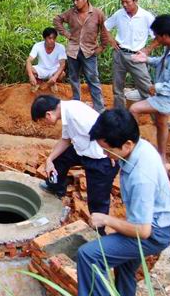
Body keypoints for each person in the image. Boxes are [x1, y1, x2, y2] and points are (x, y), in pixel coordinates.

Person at [77, 108, 170, 296]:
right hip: (156, 223)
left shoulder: (141, 176)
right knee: (125, 267)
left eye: (107, 150)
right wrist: (117, 156)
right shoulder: (139, 148)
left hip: (154, 232)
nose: (104, 154)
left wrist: (106, 219)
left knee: (89, 256)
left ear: (127, 145)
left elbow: (143, 231)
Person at [31, 95, 118, 235]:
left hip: (100, 159)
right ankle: (56, 187)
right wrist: (49, 160)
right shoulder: (67, 112)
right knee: (60, 159)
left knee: (97, 199)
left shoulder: (75, 115)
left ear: (48, 114)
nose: (44, 124)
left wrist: (113, 150)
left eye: (42, 121)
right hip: (83, 150)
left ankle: (98, 233)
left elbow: (106, 127)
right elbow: (66, 140)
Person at [129, 14, 170, 166]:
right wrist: (147, 59)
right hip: (165, 93)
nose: (156, 39)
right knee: (161, 122)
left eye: (157, 36)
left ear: (164, 35)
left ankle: (133, 149)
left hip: (168, 97)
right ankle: (162, 157)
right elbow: (164, 63)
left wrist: (156, 87)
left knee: (134, 109)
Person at [53, 0, 108, 113]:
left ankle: (99, 109)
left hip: (90, 51)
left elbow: (104, 31)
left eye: (77, 0)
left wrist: (102, 47)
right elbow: (57, 20)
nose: (75, 3)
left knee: (93, 79)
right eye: (74, 0)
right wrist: (66, 34)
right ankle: (77, 103)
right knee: (73, 78)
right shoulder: (71, 13)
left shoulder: (97, 14)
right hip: (73, 50)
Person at [105, 0, 158, 108]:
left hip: (136, 56)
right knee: (117, 89)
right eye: (122, 1)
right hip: (119, 54)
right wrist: (111, 40)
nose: (124, 4)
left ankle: (159, 118)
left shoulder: (146, 16)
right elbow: (105, 26)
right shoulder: (119, 14)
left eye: (127, 2)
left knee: (146, 88)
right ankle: (119, 117)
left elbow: (159, 36)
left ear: (136, 0)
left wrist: (147, 49)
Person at [26, 27, 67, 93]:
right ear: (44, 38)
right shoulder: (37, 46)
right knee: (30, 69)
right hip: (41, 69)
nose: (52, 41)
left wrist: (55, 77)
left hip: (54, 70)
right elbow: (28, 61)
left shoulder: (60, 47)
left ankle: (53, 83)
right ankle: (38, 82)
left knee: (62, 74)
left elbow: (62, 64)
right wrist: (31, 76)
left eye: (54, 38)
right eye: (50, 38)